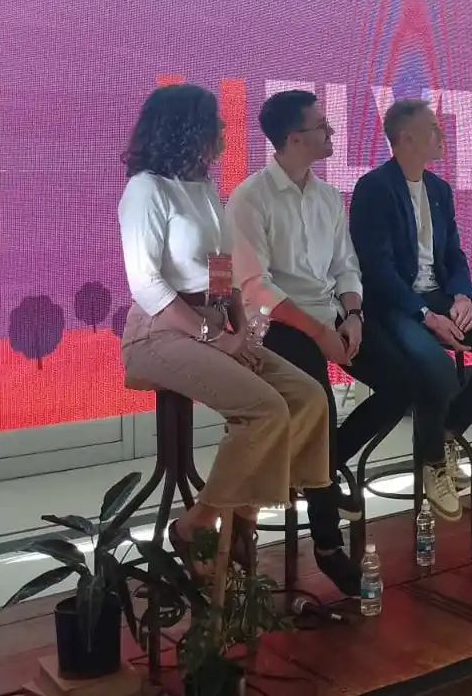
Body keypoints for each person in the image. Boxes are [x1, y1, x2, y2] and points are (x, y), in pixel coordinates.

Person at [117, 83, 330, 582]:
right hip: (158, 334)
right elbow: (147, 286)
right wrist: (218, 340)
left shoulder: (205, 186)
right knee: (266, 409)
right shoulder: (146, 188)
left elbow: (222, 268)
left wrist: (239, 330)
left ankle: (242, 515)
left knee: (308, 396)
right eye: (217, 122)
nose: (224, 132)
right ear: (187, 128)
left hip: (210, 326)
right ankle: (201, 524)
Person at [227, 89, 417, 592]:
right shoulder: (251, 198)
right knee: (320, 408)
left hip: (334, 316)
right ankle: (329, 546)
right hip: (282, 328)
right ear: (294, 137)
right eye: (323, 127)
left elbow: (344, 266)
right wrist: (319, 333)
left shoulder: (329, 195)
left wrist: (352, 316)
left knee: (402, 382)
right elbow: (257, 288)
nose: (332, 133)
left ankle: (323, 468)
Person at [349, 98, 472, 521]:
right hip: (395, 306)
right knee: (436, 368)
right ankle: (430, 463)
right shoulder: (374, 188)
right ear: (407, 138)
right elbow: (375, 269)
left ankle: (447, 433)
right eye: (434, 128)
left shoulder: (439, 189)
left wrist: (463, 296)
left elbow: (454, 253)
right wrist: (424, 316)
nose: (443, 135)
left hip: (442, 298)